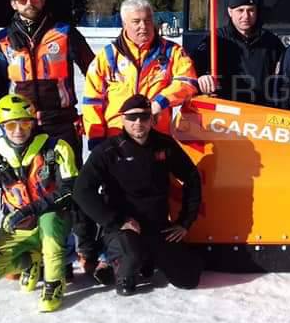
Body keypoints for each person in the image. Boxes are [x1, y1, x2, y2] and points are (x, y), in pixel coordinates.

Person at [0, 0, 102, 279]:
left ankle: (87, 251)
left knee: (74, 188)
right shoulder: (2, 39)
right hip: (23, 130)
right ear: (13, 2)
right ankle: (30, 253)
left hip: (62, 122)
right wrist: (10, 122)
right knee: (27, 189)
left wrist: (91, 112)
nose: (30, 3)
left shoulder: (65, 33)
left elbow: (94, 72)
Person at [0, 94, 78, 312]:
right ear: (2, 127)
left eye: (24, 124)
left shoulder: (56, 148)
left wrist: (27, 210)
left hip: (55, 221)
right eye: (11, 125)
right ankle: (31, 261)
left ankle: (54, 282)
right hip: (20, 228)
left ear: (33, 123)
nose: (18, 131)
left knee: (49, 219)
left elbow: (70, 190)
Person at [73, 94, 204, 295]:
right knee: (126, 285)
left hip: (158, 227)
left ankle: (148, 258)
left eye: (143, 117)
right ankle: (118, 261)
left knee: (188, 279)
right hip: (124, 227)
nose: (138, 123)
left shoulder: (165, 145)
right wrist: (116, 221)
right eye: (132, 118)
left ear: (152, 119)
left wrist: (185, 222)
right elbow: (82, 190)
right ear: (122, 120)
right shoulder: (108, 150)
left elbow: (192, 177)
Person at [82, 0, 198, 142]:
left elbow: (188, 82)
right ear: (124, 24)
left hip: (157, 136)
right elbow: (92, 101)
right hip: (117, 138)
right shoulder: (107, 57)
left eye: (148, 20)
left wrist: (160, 102)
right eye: (136, 21)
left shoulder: (171, 52)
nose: (144, 26)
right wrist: (96, 138)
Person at [194, 0, 285, 105]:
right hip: (228, 108)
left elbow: (284, 71)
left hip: (261, 109)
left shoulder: (270, 41)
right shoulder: (216, 39)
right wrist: (202, 77)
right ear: (230, 12)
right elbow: (193, 67)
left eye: (251, 10)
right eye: (240, 10)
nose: (246, 16)